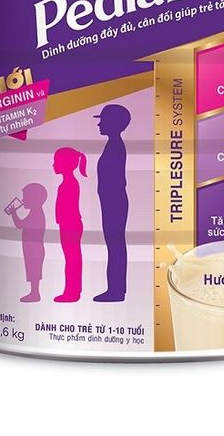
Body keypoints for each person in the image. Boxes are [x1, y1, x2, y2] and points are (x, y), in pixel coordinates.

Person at [93, 104, 131, 302]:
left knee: (115, 246)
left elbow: (114, 179)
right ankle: (116, 289)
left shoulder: (115, 146)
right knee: (115, 245)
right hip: (112, 201)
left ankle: (115, 291)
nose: (99, 124)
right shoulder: (113, 144)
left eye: (103, 120)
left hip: (113, 202)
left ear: (114, 123)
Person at [53, 147, 87, 302]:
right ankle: (73, 290)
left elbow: (69, 208)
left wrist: (63, 222)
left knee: (72, 259)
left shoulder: (70, 184)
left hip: (70, 225)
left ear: (65, 164)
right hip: (68, 224)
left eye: (56, 161)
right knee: (72, 259)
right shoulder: (68, 183)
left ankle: (72, 292)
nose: (53, 165)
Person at [6, 183, 47, 303]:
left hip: (34, 249)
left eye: (26, 197)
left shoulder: (36, 213)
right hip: (32, 248)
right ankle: (34, 292)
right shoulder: (35, 212)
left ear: (35, 199)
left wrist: (14, 213)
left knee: (34, 271)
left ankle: (35, 294)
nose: (23, 200)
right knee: (32, 270)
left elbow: (19, 225)